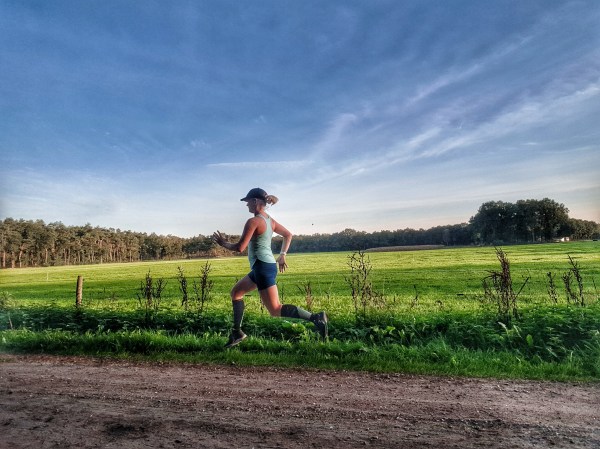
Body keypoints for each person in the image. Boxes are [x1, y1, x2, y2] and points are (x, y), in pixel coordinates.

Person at [213, 187, 328, 348]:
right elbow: (288, 235)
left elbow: (240, 247)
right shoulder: (270, 221)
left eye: (247, 202)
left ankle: (316, 318)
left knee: (275, 309)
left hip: (262, 268)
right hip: (263, 267)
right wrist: (282, 254)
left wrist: (223, 243)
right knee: (236, 293)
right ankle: (237, 333)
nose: (246, 205)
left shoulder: (253, 221)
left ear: (255, 201)